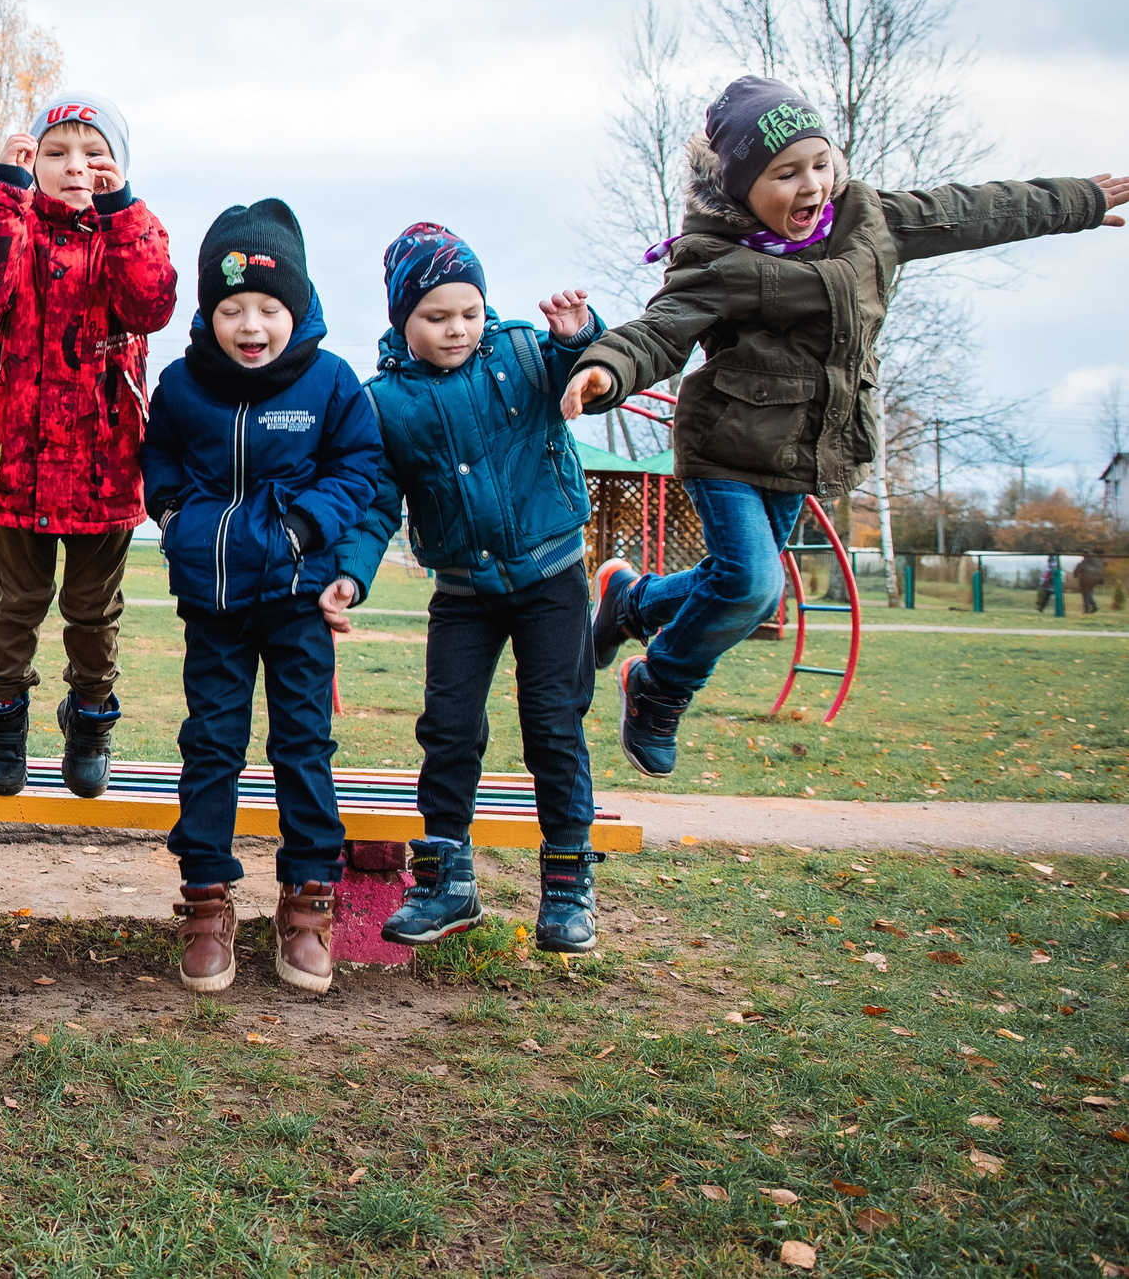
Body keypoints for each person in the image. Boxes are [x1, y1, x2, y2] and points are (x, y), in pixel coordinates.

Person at [568, 75, 1127, 777]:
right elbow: (659, 330)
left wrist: (1075, 201)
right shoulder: (718, 260)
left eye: (819, 164)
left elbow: (972, 211)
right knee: (750, 586)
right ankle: (659, 686)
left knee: (735, 581)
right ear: (741, 188)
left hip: (802, 450)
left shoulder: (870, 223)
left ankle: (631, 600)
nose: (810, 186)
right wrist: (605, 371)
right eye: (784, 174)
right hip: (724, 448)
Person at [330, 224, 607, 953]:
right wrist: (352, 576)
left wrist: (580, 337)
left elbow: (588, 374)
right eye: (435, 315)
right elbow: (372, 504)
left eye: (468, 311)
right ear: (401, 320)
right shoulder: (383, 402)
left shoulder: (519, 354)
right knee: (448, 727)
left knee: (552, 721)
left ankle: (568, 883)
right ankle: (445, 881)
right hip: (462, 591)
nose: (456, 328)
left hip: (551, 577)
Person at [144, 200, 386, 995]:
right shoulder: (181, 386)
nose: (250, 324)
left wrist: (307, 528)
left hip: (294, 596)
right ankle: (207, 901)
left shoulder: (328, 382)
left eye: (268, 307)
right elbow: (161, 467)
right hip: (210, 601)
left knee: (301, 747)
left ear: (296, 307)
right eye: (231, 307)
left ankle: (307, 901)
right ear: (208, 312)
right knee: (210, 745)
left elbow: (359, 466)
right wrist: (177, 519)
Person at [0, 93, 176, 798]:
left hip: (104, 464)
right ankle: (5, 716)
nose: (75, 166)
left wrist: (122, 212)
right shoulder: (16, 224)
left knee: (92, 610)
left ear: (119, 167)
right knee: (15, 604)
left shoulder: (132, 229)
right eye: (56, 152)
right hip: (18, 461)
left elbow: (151, 304)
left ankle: (89, 715)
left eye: (93, 152)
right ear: (33, 162)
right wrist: (2, 194)